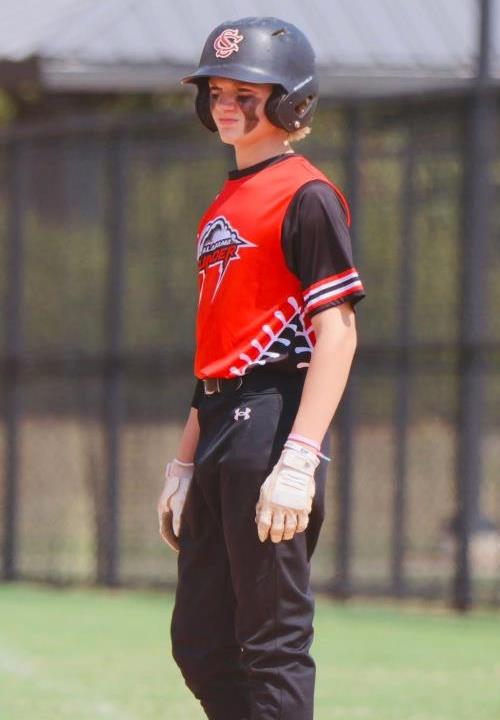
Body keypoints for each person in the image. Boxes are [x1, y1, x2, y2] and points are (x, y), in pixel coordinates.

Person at [157, 16, 365, 720]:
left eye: (245, 94)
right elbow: (218, 347)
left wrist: (300, 458)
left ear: (289, 101)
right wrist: (183, 461)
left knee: (272, 641)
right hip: (220, 418)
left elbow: (337, 332)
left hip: (271, 423)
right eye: (216, 92)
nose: (225, 105)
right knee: (201, 644)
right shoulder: (225, 200)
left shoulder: (307, 194)